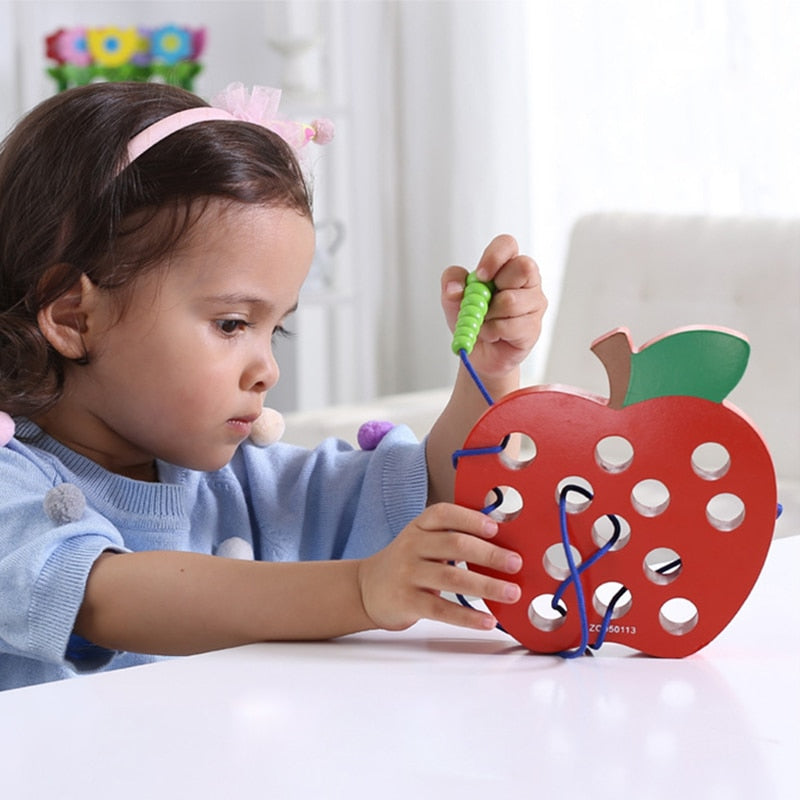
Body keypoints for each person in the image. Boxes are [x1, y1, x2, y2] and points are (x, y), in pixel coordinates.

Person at [0, 82, 547, 690]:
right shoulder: (11, 482)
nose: (267, 369)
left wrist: (490, 373)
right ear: (75, 317)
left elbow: (435, 491)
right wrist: (361, 589)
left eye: (275, 331)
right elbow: (105, 598)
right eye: (232, 324)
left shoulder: (240, 482)